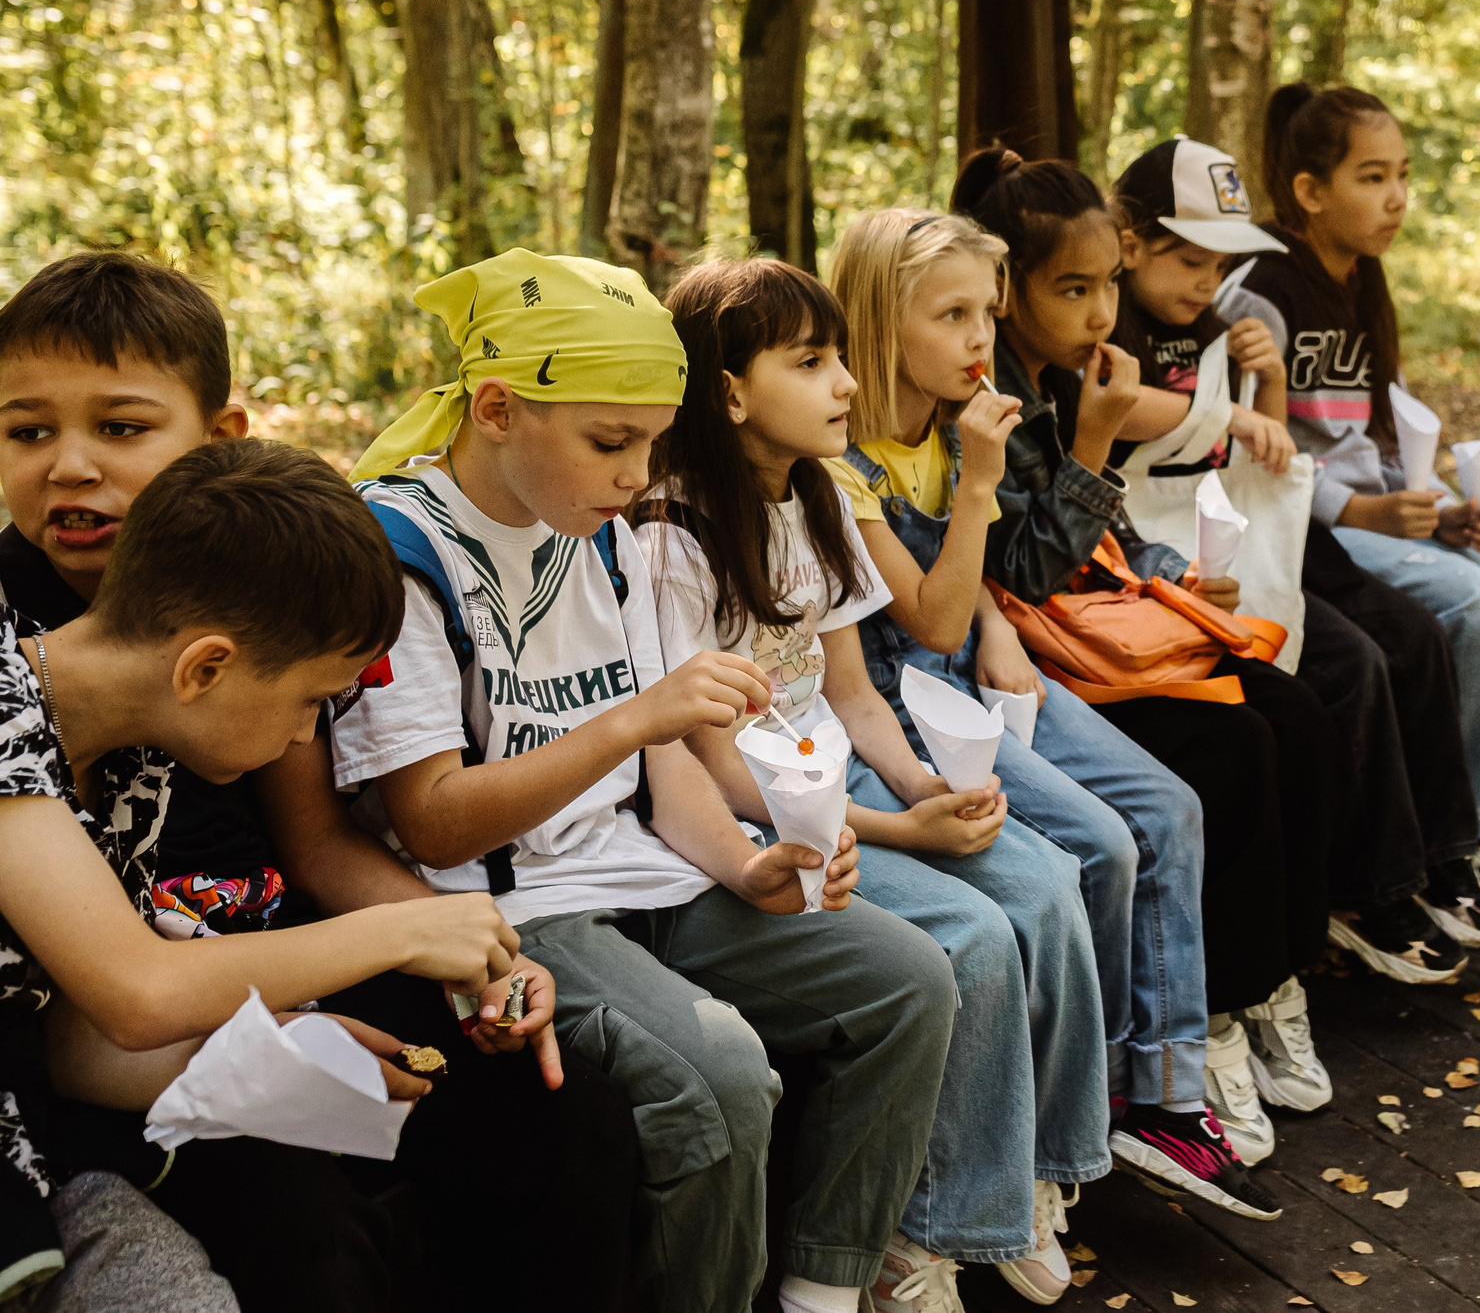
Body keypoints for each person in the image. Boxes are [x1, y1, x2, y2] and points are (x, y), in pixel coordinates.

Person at [0, 252, 640, 1313]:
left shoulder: (238, 617)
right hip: (114, 1061)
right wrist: (399, 941)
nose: (73, 468)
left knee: (563, 1120)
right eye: (28, 431)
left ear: (218, 442)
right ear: (204, 668)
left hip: (192, 1005)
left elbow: (128, 997)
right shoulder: (62, 695)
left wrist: (315, 1015)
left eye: (119, 428)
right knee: (302, 1230)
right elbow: (116, 997)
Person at [329, 249, 958, 1313]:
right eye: (610, 442)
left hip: (645, 875)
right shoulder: (405, 554)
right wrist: (630, 719)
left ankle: (822, 1286)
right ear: (493, 409)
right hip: (518, 910)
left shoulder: (600, 536)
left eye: (654, 443)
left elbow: (665, 773)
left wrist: (752, 866)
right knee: (719, 1085)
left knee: (909, 981)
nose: (636, 475)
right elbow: (430, 824)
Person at [636, 256, 1111, 1308]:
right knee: (974, 937)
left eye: (841, 355)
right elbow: (722, 773)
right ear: (726, 390)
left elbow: (852, 700)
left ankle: (1031, 1175)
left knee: (1048, 884)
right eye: (810, 362)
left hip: (846, 784)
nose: (846, 382)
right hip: (776, 816)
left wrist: (926, 786)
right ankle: (926, 1223)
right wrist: (902, 836)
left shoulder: (818, 500)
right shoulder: (672, 538)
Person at [0, 440, 524, 1313]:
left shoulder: (135, 766)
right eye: (311, 699)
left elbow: (70, 1039)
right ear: (206, 666)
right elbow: (137, 991)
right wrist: (407, 927)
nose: (299, 737)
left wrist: (273, 1049)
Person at [828, 213, 1278, 1206]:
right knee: (1102, 848)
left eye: (985, 312)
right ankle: (1083, 1111)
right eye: (950, 315)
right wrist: (983, 519)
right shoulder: (842, 465)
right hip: (900, 700)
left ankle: (1151, 1093)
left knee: (1165, 813)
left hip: (969, 667)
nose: (981, 337)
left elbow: (973, 593)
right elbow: (924, 617)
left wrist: (993, 618)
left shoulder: (948, 421)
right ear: (876, 318)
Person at [952, 149, 1339, 1189]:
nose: (1096, 310)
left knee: (1294, 713)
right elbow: (1021, 566)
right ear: (1009, 291)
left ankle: (1273, 988)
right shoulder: (989, 394)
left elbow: (1098, 543)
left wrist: (1174, 575)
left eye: (1106, 285)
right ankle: (1208, 1022)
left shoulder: (1063, 373)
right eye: (1069, 289)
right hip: (1037, 653)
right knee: (1229, 744)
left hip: (1104, 619)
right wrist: (1094, 437)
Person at [1108, 138, 1480, 971]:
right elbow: (1104, 406)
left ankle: (1428, 862)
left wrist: (1269, 388)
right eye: (1188, 260)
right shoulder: (1110, 324)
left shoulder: (1217, 327)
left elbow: (1270, 458)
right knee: (1345, 667)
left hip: (1252, 547)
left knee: (1402, 639)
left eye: (1219, 266)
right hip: (1160, 575)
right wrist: (1229, 418)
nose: (1205, 283)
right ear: (1128, 242)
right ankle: (1367, 891)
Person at [1249, 87, 1480, 925]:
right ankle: (1446, 849)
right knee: (1471, 603)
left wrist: (1442, 503)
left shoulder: (1366, 280)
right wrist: (1362, 514)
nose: (1397, 198)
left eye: (1403, 175)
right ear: (1310, 192)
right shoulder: (1262, 285)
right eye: (1372, 177)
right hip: (1315, 528)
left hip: (1384, 510)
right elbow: (1256, 449)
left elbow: (1386, 430)